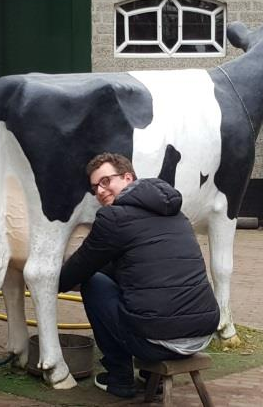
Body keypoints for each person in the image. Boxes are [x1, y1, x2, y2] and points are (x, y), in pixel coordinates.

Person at [58, 153, 219, 398]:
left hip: (156, 344)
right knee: (142, 281)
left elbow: (80, 268)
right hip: (202, 333)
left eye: (105, 181)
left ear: (127, 177)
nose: (100, 191)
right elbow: (138, 265)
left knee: (93, 284)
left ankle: (120, 378)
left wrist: (47, 282)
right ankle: (147, 376)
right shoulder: (176, 213)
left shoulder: (113, 218)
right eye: (94, 187)